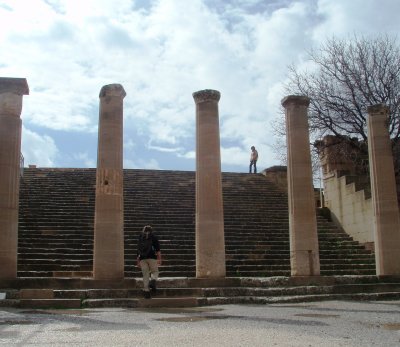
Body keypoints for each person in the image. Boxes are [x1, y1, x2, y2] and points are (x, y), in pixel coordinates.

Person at [136, 225, 162, 299]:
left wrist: (137, 260)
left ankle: (146, 291)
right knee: (155, 271)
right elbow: (158, 249)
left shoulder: (141, 237)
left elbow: (138, 249)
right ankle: (153, 281)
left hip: (142, 258)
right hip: (152, 257)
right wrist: (159, 258)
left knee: (145, 275)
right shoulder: (154, 237)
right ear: (151, 230)